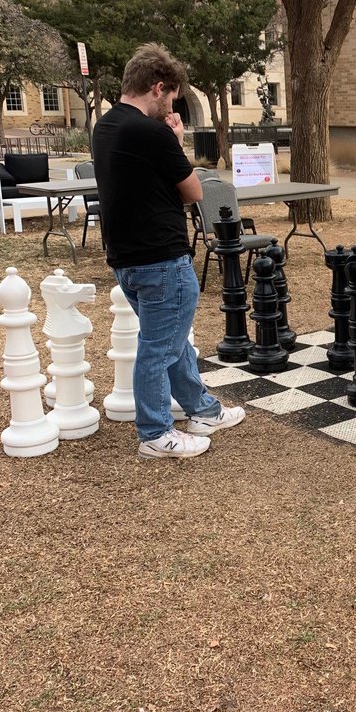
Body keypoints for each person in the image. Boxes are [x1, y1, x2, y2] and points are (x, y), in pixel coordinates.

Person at [93, 43, 245, 458]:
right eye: (172, 98)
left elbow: (149, 187)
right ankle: (156, 433)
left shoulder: (105, 126)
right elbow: (195, 192)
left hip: (126, 259)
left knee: (170, 342)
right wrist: (175, 141)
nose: (171, 107)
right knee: (158, 348)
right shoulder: (151, 131)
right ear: (158, 88)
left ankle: (202, 409)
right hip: (161, 258)